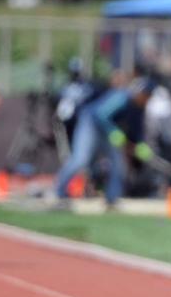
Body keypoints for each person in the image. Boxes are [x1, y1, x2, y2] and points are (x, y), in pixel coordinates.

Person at [52, 76, 156, 209]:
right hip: (90, 125)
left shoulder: (139, 108)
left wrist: (141, 144)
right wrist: (113, 131)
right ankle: (60, 192)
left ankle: (112, 199)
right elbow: (101, 114)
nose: (147, 99)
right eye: (147, 95)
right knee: (80, 160)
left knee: (118, 165)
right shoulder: (123, 98)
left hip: (108, 133)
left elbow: (136, 129)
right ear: (141, 92)